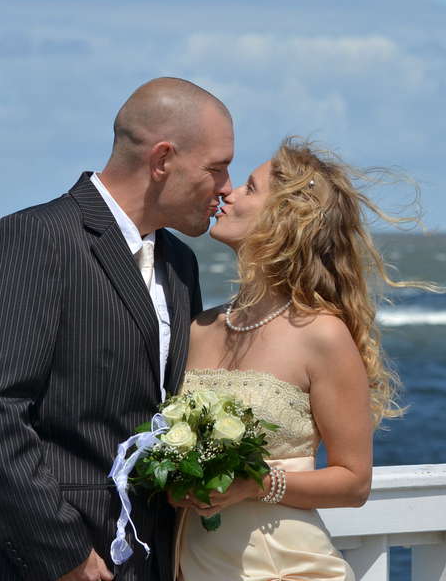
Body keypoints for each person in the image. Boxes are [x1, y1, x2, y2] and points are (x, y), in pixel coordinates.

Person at [0, 77, 234, 581]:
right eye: (216, 168)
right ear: (163, 159)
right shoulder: (36, 237)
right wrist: (62, 554)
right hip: (50, 562)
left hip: (153, 556)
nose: (226, 187)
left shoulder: (181, 264)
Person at [172, 138, 426, 580]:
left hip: (285, 566)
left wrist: (255, 483)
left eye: (250, 188)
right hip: (194, 563)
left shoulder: (321, 334)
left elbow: (353, 481)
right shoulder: (198, 328)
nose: (227, 193)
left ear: (286, 220)